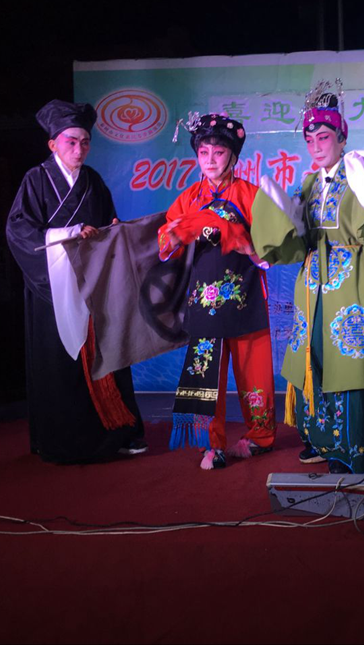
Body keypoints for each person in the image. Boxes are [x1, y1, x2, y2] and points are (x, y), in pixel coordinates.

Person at [251, 81, 364, 474]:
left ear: (341, 138)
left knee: (350, 360)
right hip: (312, 283)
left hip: (351, 282)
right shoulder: (309, 183)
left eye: (324, 137)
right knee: (314, 356)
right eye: (310, 139)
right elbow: (297, 244)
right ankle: (321, 440)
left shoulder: (359, 173)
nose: (316, 147)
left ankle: (353, 450)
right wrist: (279, 216)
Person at [6, 99, 146, 463]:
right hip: (52, 287)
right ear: (53, 144)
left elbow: (107, 223)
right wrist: (68, 233)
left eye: (85, 142)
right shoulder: (35, 180)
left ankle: (115, 433)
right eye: (71, 142)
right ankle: (62, 441)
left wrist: (112, 232)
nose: (79, 149)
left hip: (90, 285)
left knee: (105, 355)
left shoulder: (93, 181)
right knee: (60, 364)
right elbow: (19, 231)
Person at [158, 112, 276, 470]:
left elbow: (271, 253)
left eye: (219, 152)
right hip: (204, 298)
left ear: (233, 156)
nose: (210, 160)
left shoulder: (252, 195)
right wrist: (173, 237)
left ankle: (260, 436)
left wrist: (245, 244)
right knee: (207, 372)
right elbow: (166, 245)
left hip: (245, 294)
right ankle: (212, 442)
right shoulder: (188, 199)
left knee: (254, 371)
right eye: (204, 152)